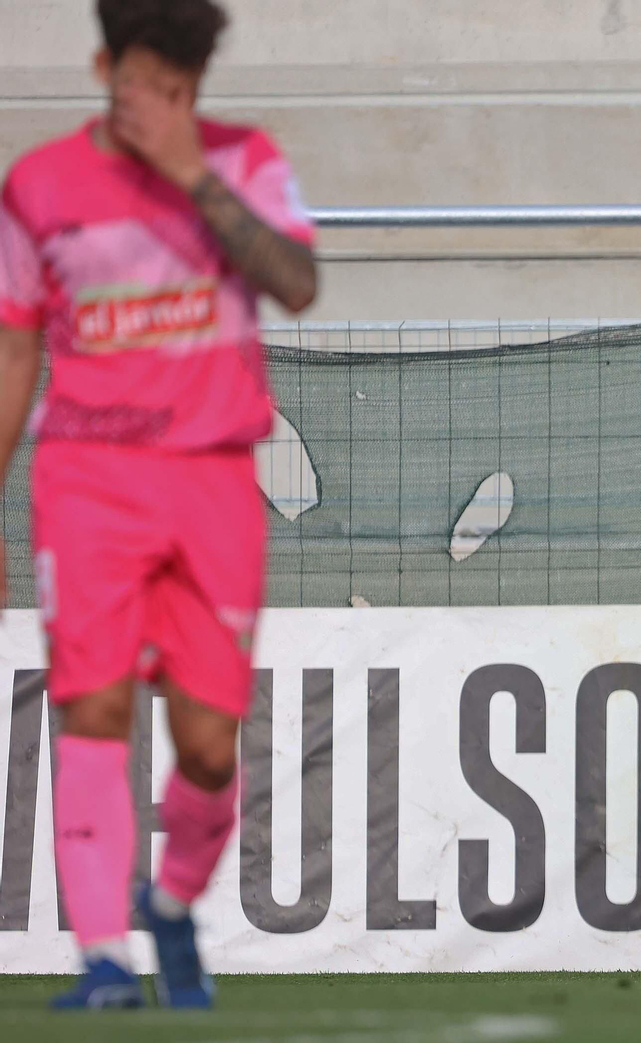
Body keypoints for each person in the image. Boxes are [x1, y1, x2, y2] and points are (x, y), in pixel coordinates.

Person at [0, 0, 318, 1010]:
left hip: (215, 478)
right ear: (104, 66)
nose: (164, 106)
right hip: (88, 480)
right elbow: (14, 347)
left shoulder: (243, 158)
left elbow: (298, 281)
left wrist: (191, 172)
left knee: (209, 745)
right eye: (147, 84)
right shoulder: (38, 184)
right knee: (89, 702)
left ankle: (171, 903)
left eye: (183, 91)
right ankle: (102, 955)